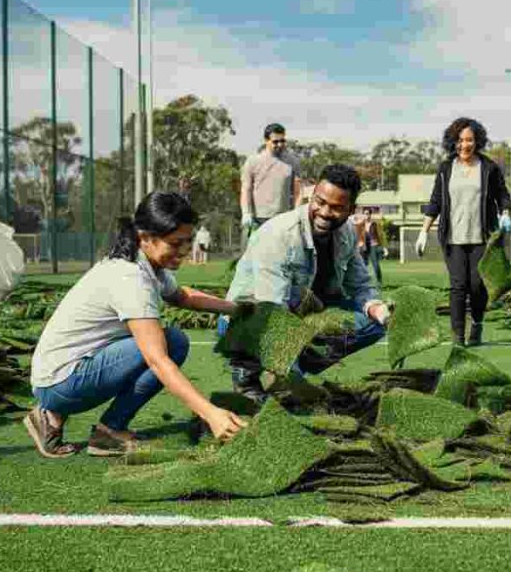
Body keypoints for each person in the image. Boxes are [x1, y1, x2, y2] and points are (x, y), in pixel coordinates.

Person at [25, 191, 246, 459]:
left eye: (188, 241)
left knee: (172, 340)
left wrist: (238, 308)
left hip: (60, 375)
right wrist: (210, 414)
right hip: (61, 383)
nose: (184, 251)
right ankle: (107, 430)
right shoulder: (130, 278)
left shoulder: (145, 263)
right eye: (175, 243)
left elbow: (182, 297)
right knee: (171, 343)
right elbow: (157, 361)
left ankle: (55, 418)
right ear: (145, 237)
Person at [223, 164, 390, 403]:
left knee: (373, 324)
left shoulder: (347, 233)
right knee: (292, 392)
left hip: (304, 315)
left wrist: (376, 308)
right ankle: (248, 373)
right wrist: (285, 369)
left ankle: (298, 364)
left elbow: (360, 285)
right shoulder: (280, 234)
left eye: (336, 208)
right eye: (319, 202)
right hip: (252, 319)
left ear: (350, 209)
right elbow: (271, 308)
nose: (324, 212)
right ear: (312, 196)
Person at [415, 117, 511, 347]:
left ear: (477, 141)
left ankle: (477, 324)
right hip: (453, 239)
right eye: (459, 140)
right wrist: (423, 232)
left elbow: (503, 195)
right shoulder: (446, 168)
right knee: (458, 286)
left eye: (469, 140)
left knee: (477, 286)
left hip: (482, 238)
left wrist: (505, 213)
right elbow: (436, 201)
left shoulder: (488, 168)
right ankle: (458, 337)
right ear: (453, 142)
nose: (464, 145)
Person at [239, 123, 302, 248]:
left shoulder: (292, 162)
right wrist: (246, 213)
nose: (280, 145)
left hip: (282, 220)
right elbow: (246, 189)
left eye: (282, 141)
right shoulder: (253, 161)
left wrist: (296, 214)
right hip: (257, 220)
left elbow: (298, 192)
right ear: (266, 141)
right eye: (275, 142)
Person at [355, 207, 387, 285]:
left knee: (375, 264)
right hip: (364, 246)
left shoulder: (374, 224)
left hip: (373, 245)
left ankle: (379, 282)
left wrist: (384, 246)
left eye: (368, 214)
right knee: (363, 264)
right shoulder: (361, 224)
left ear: (370, 215)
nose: (366, 215)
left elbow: (380, 235)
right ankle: (364, 282)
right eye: (365, 214)